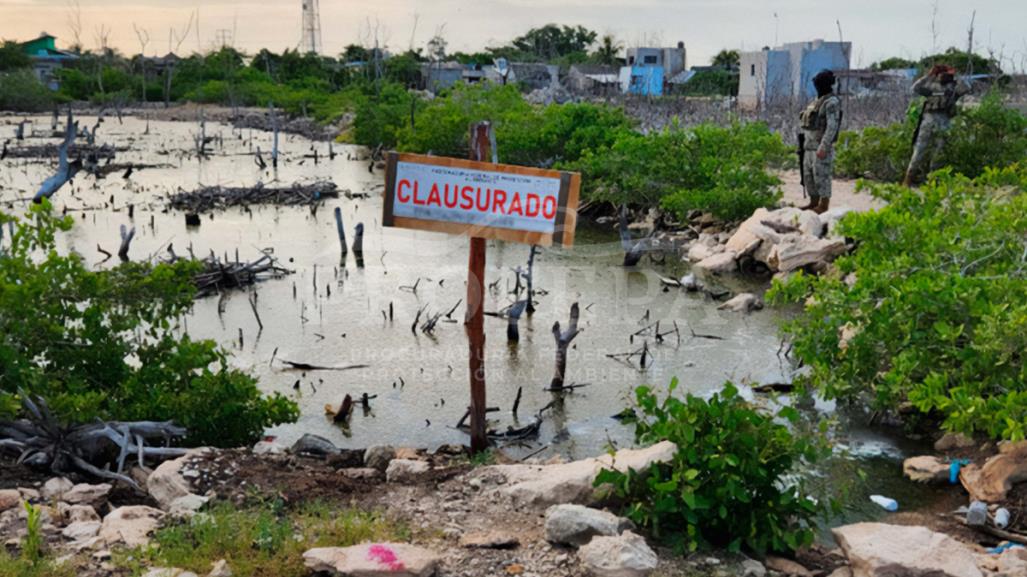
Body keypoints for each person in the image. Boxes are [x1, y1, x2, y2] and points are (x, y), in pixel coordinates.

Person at [903, 65, 972, 187]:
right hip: (932, 120)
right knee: (923, 150)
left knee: (935, 151)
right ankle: (912, 179)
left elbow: (967, 87)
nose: (943, 76)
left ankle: (929, 180)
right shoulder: (936, 86)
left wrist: (954, 75)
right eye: (942, 73)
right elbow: (914, 88)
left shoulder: (951, 87)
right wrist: (930, 75)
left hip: (939, 120)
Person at [799, 69, 841, 214]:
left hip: (820, 146)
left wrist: (824, 146)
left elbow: (832, 127)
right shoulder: (817, 102)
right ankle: (813, 202)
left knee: (822, 176)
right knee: (809, 176)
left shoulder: (831, 103)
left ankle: (823, 205)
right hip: (809, 146)